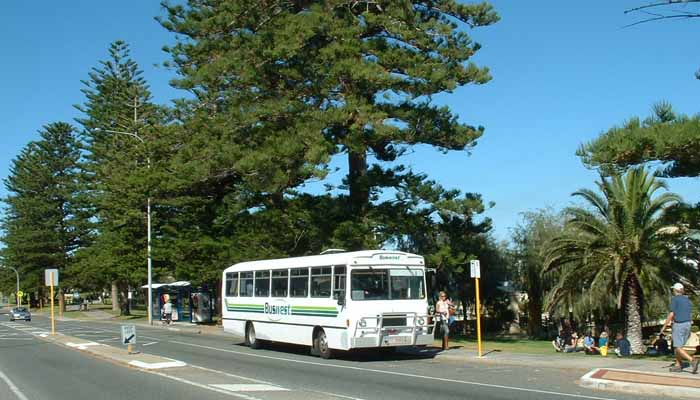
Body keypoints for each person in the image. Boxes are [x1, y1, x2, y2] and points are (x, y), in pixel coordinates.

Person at [660, 283, 699, 373]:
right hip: (688, 324)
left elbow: (672, 314)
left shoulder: (675, 299)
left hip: (679, 324)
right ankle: (678, 365)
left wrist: (665, 326)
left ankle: (692, 360)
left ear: (675, 290)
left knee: (677, 347)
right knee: (679, 346)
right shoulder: (687, 300)